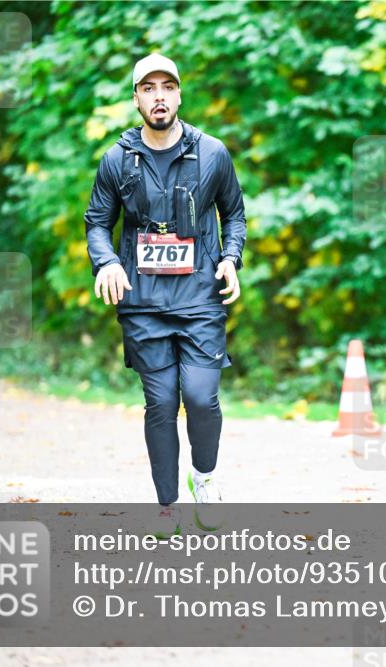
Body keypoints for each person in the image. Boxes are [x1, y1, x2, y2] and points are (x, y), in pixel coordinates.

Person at [84, 54, 246, 537]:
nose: (158, 96)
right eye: (148, 88)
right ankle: (167, 506)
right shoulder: (117, 159)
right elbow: (97, 222)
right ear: (136, 98)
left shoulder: (213, 152)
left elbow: (233, 215)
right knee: (159, 402)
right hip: (142, 298)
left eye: (167, 87)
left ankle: (206, 477)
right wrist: (107, 261)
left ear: (179, 95)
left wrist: (230, 258)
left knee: (199, 397)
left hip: (199, 294)